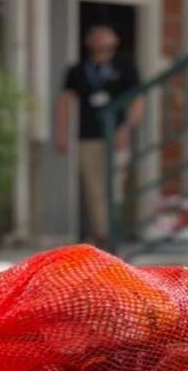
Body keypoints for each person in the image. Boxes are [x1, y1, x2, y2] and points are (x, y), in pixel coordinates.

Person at [55, 24, 145, 246]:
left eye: (106, 36)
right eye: (96, 36)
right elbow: (65, 101)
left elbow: (138, 100)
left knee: (117, 183)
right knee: (93, 186)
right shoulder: (77, 70)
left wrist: (127, 128)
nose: (101, 41)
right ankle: (102, 232)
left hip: (117, 136)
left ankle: (118, 229)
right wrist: (62, 134)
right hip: (88, 135)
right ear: (88, 42)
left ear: (115, 40)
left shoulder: (125, 67)